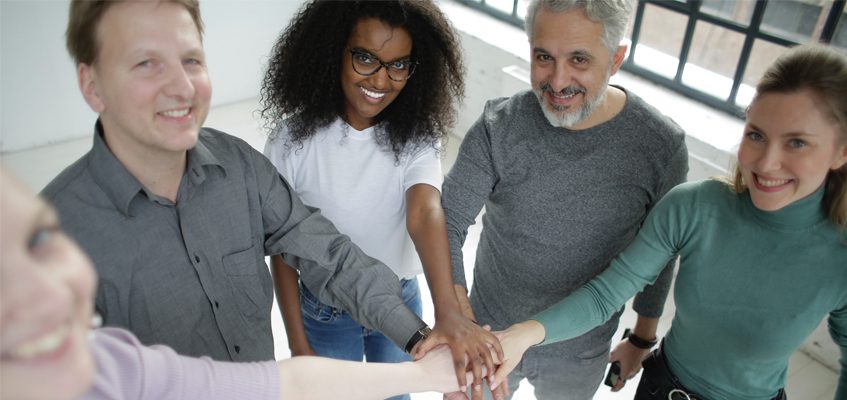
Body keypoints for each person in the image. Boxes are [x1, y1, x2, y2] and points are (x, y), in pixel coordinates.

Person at [41, 0, 443, 370]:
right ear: (92, 85)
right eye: (146, 63)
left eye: (191, 59)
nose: (182, 87)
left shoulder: (240, 166)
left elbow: (329, 257)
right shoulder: (50, 240)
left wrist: (424, 340)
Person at [493, 43, 847, 400]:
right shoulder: (694, 206)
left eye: (797, 143)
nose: (767, 163)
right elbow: (605, 294)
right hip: (661, 390)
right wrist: (522, 335)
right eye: (756, 135)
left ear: (842, 150)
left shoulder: (840, 259)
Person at [0, 166, 469, 400]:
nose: (46, 288)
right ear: (91, 81)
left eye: (41, 240)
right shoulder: (74, 207)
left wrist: (428, 363)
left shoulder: (114, 364)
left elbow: (287, 381)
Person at [433, 0, 690, 398]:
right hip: (487, 334)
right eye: (544, 57)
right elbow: (446, 222)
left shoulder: (660, 147)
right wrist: (458, 319)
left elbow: (661, 252)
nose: (557, 80)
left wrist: (641, 337)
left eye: (579, 60)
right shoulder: (497, 128)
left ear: (616, 59)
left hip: (582, 348)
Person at [261, 1, 500, 398]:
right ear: (334, 50)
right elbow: (283, 252)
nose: (381, 79)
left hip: (399, 300)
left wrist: (447, 311)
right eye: (365, 58)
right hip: (324, 308)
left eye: (398, 65)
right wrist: (298, 345)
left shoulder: (417, 138)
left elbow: (424, 212)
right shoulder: (291, 142)